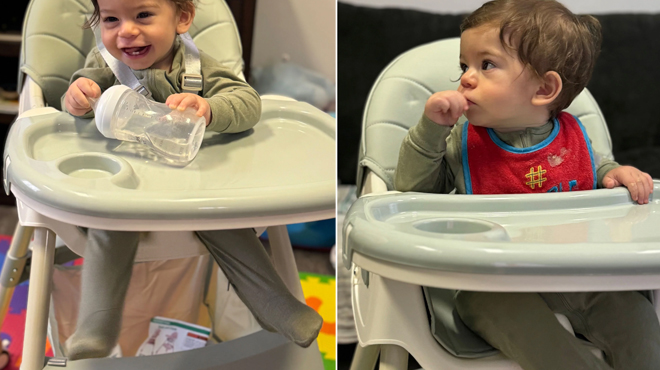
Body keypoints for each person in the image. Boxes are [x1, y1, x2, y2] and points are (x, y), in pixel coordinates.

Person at [394, 0, 659, 369]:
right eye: (464, 66)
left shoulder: (574, 138)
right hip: (494, 280)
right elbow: (410, 193)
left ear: (544, 88)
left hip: (574, 273)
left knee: (637, 316)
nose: (466, 77)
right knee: (494, 310)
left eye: (486, 65)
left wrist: (617, 175)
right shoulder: (461, 140)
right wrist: (431, 130)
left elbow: (600, 169)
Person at [62, 0, 322, 360]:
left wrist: (210, 109)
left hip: (193, 188)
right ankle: (96, 326)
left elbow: (248, 103)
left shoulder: (198, 69)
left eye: (143, 15)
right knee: (110, 227)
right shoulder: (106, 66)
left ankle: (276, 306)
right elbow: (76, 94)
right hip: (126, 187)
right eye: (110, 19)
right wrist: (77, 97)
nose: (126, 31)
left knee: (231, 228)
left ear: (181, 19)